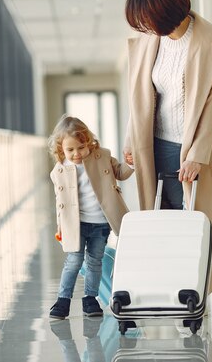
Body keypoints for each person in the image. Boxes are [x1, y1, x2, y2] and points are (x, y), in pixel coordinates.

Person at [122, 0, 212, 293]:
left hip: (194, 146)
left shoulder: (208, 41)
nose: (144, 26)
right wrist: (131, 140)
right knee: (162, 223)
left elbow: (210, 105)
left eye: (146, 18)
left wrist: (197, 156)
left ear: (163, 10)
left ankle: (194, 297)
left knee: (195, 224)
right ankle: (170, 291)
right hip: (157, 144)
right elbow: (140, 97)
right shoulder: (151, 42)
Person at [48, 115, 134, 319]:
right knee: (74, 261)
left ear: (89, 143)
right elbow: (60, 203)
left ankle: (90, 299)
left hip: (101, 222)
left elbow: (120, 172)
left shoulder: (102, 157)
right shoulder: (59, 171)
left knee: (95, 261)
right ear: (61, 150)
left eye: (81, 147)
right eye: (70, 150)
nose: (76, 154)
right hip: (75, 224)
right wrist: (61, 227)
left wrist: (133, 164)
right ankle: (63, 300)